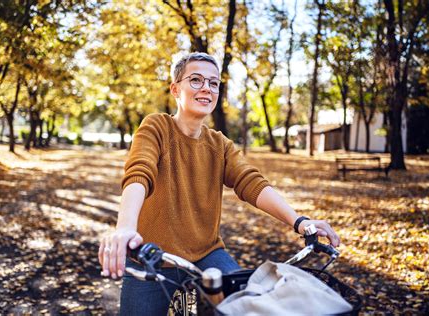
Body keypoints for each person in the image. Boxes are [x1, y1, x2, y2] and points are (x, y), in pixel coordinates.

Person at [98, 52, 341, 315]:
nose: (206, 87)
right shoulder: (157, 126)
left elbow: (251, 182)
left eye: (213, 83)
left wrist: (300, 222)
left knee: (244, 305)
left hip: (207, 253)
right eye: (196, 80)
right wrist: (124, 229)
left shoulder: (220, 145)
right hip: (151, 255)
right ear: (175, 89)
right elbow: (139, 172)